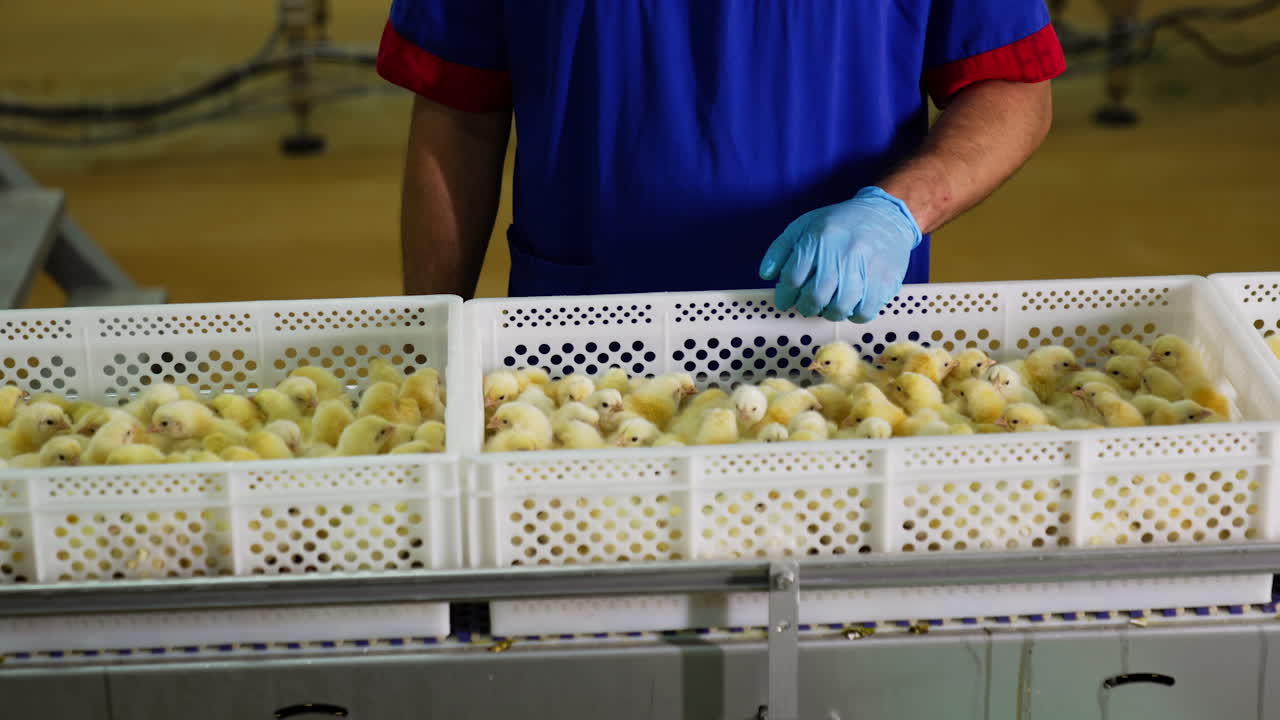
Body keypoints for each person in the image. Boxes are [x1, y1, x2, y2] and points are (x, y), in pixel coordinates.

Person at [378, 3, 1064, 322]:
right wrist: (432, 338)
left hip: (840, 338)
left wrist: (898, 211)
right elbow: (460, 113)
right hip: (585, 352)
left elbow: (1011, 85)